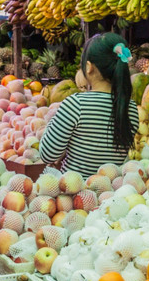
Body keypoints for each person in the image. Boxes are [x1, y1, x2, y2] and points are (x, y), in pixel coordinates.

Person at [38, 32, 138, 178]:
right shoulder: (131, 108)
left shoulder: (75, 105)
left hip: (75, 192)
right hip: (110, 193)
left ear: (89, 67)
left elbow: (47, 155)